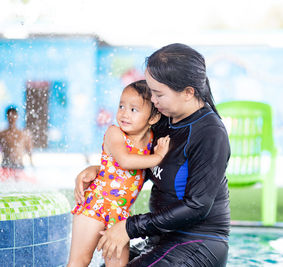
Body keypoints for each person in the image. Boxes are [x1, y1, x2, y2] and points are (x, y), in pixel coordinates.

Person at [75, 43, 231, 266]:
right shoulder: (162, 121)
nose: (153, 102)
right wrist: (100, 171)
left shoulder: (209, 133)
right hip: (160, 238)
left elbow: (197, 206)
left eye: (158, 94)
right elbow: (138, 162)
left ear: (188, 92)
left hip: (199, 242)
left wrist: (130, 227)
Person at [68, 80, 170, 267]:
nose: (124, 113)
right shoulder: (114, 133)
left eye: (133, 109)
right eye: (121, 106)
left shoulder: (151, 140)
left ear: (153, 118)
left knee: (118, 265)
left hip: (120, 214)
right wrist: (158, 157)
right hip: (94, 205)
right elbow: (125, 160)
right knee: (79, 261)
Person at [0, 105, 34, 182]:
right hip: (6, 166)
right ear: (7, 117)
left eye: (14, 115)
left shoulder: (23, 134)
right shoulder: (2, 134)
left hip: (19, 166)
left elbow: (29, 151)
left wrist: (32, 165)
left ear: (17, 116)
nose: (12, 118)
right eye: (10, 115)